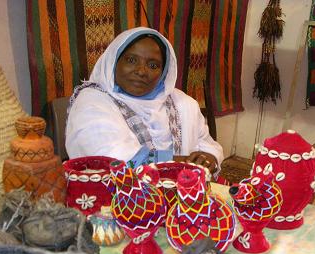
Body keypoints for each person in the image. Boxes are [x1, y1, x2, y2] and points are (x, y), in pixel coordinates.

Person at [65, 27, 224, 175]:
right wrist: (186, 163)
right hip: (113, 198)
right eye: (131, 60)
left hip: (181, 193)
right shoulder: (92, 103)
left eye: (153, 65)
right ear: (114, 61)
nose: (141, 71)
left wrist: (209, 159)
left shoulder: (183, 104)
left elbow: (208, 145)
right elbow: (115, 161)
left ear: (163, 72)